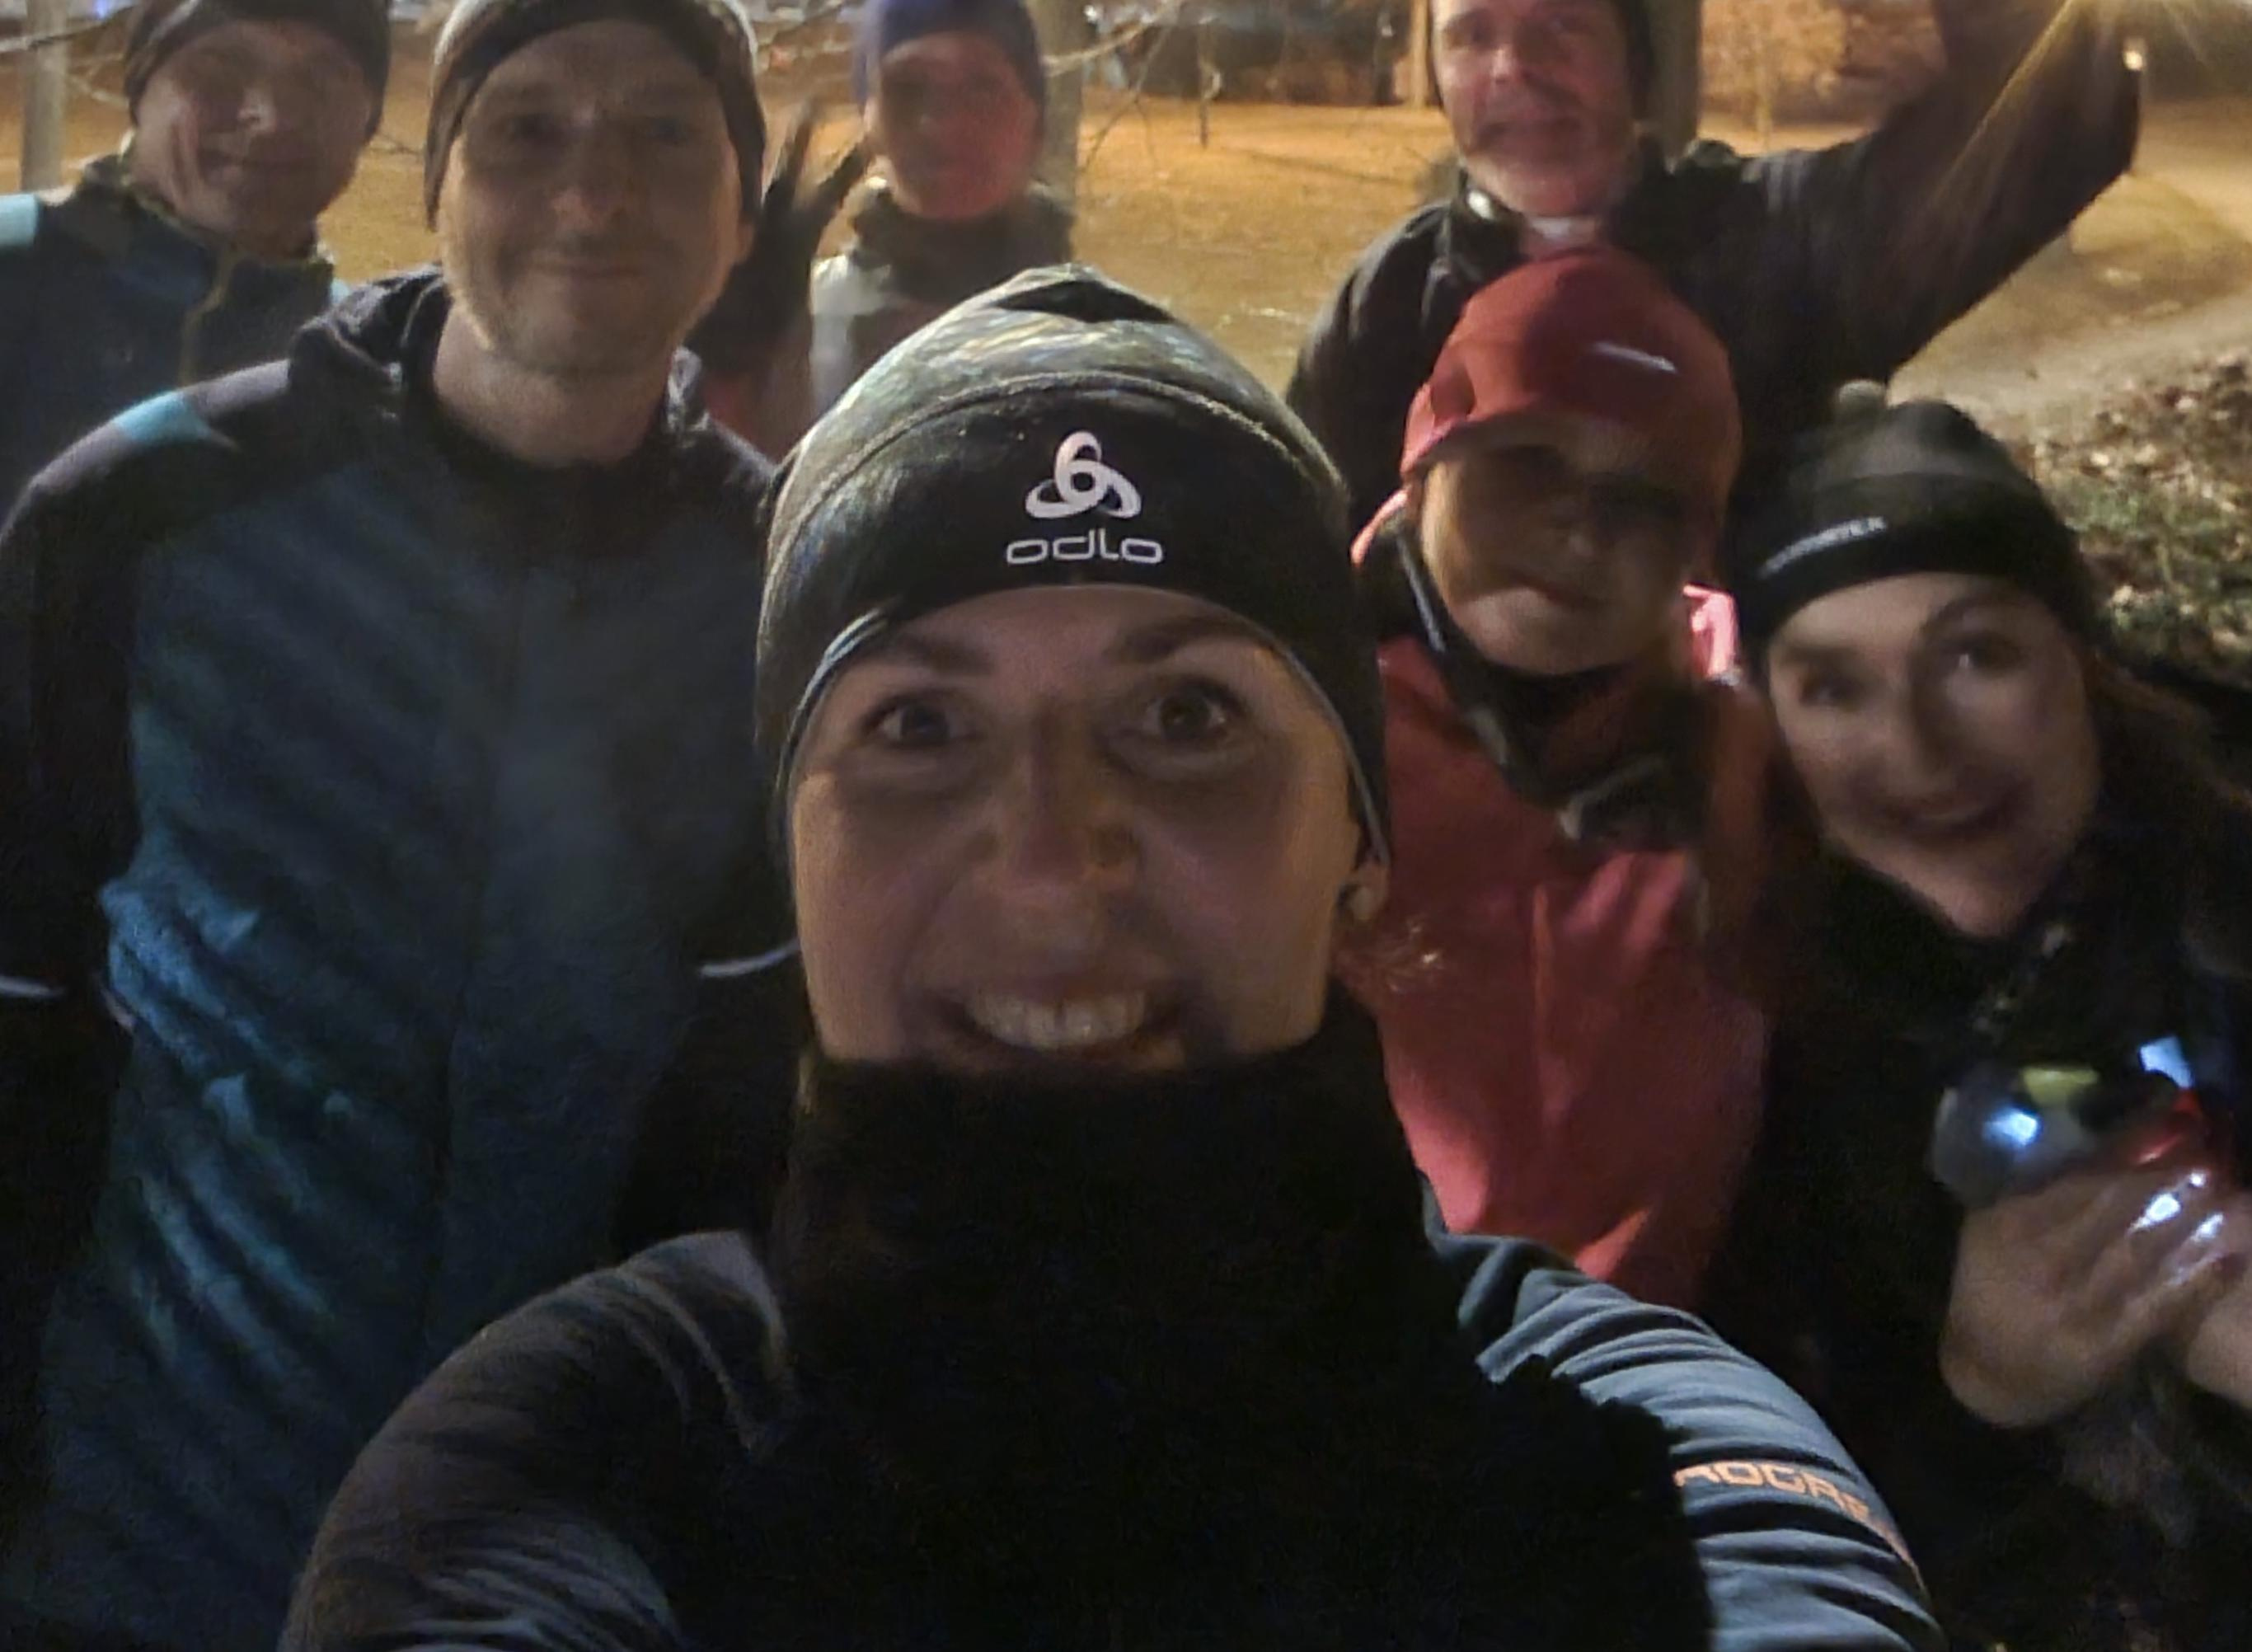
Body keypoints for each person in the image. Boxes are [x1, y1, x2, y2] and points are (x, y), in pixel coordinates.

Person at [282, 266, 1941, 1652]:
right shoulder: (579, 1450)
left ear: (1362, 841)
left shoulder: (1642, 1436)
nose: (1050, 854)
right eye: (917, 726)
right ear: (791, 846)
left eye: (1185, 716)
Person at [0, 2, 793, 1646]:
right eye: (526, 130)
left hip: (535, 1558)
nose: (592, 194)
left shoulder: (781, 589)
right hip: (138, 1523)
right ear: (433, 182)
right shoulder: (147, 512)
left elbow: (751, 1113)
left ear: (740, 210)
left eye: (664, 134)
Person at [1706, 397, 2252, 1650]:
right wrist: (1982, 1390)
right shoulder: (1757, 1020)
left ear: (2081, 652)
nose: (1917, 747)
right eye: (1832, 687)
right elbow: (1786, 1504)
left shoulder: (2223, 894)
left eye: (1974, 657)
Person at [1288, 0, 2141, 533]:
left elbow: (2058, 123)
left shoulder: (1786, 236)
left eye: (1561, 25)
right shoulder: (1389, 300)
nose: (1513, 69)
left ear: (1635, 61)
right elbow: (1305, 539)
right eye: (1472, 36)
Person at [1341, 246, 1769, 1307]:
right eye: (1527, 460)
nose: (1582, 524)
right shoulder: (1286, 724)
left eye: (1647, 497)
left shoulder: (1755, 731)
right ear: (1424, 462)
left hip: (1651, 1365)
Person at [0, 0, 390, 519]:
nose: (273, 119)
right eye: (218, 72)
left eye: (321, 81)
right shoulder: (16, 270)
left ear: (369, 117)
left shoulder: (366, 366)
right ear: (142, 86)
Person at [695, 0, 1069, 454]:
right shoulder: (798, 327)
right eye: (908, 89)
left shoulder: (1102, 334)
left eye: (982, 89)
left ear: (1036, 118)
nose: (943, 124)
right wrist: (732, 384)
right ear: (868, 116)